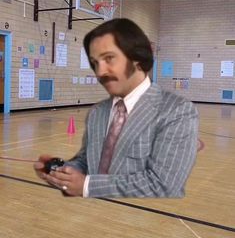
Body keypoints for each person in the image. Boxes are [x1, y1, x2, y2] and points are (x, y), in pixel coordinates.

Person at [34, 18, 198, 198]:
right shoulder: (97, 112)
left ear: (136, 58)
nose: (99, 72)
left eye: (109, 59)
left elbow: (164, 186)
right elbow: (87, 161)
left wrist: (87, 186)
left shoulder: (177, 111)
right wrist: (61, 172)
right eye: (95, 63)